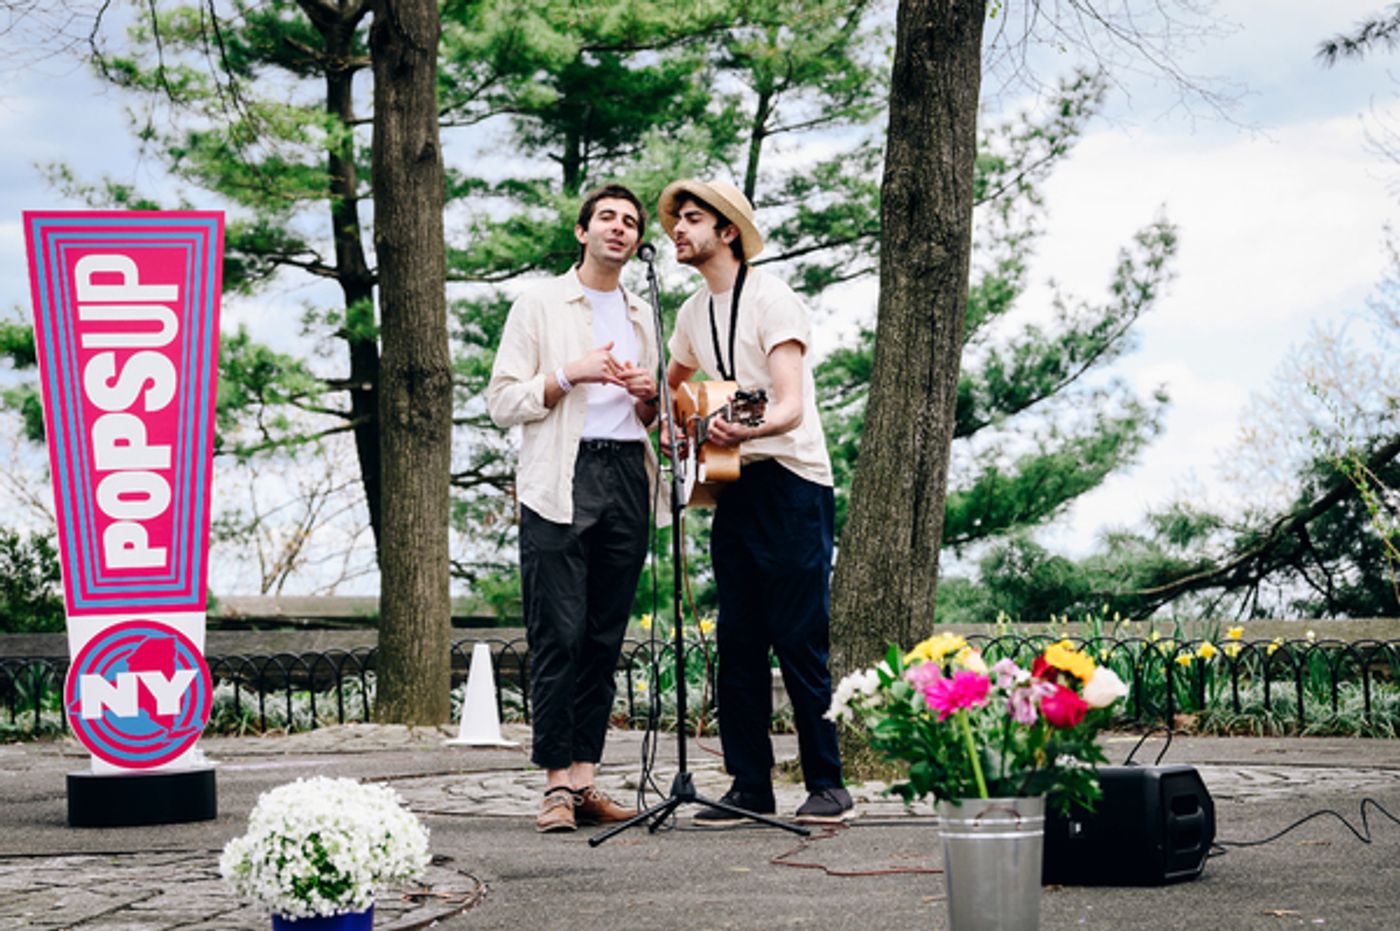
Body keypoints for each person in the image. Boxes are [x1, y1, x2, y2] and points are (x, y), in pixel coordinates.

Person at [658, 178, 853, 824]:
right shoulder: (690, 313)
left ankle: (828, 782)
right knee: (738, 640)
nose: (677, 230)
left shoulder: (774, 298)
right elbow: (674, 382)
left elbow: (791, 405)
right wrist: (672, 419)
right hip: (734, 482)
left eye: (692, 219)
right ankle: (750, 785)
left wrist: (744, 427)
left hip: (793, 484)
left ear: (727, 232)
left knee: (800, 637)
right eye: (675, 221)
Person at [487, 183, 661, 833]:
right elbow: (503, 400)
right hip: (562, 472)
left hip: (627, 473)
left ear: (638, 242)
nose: (620, 228)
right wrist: (571, 372)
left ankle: (586, 778)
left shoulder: (645, 313)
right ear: (582, 231)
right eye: (607, 218)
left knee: (602, 635)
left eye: (631, 222)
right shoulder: (539, 302)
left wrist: (648, 396)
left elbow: (654, 417)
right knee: (556, 630)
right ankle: (555, 783)